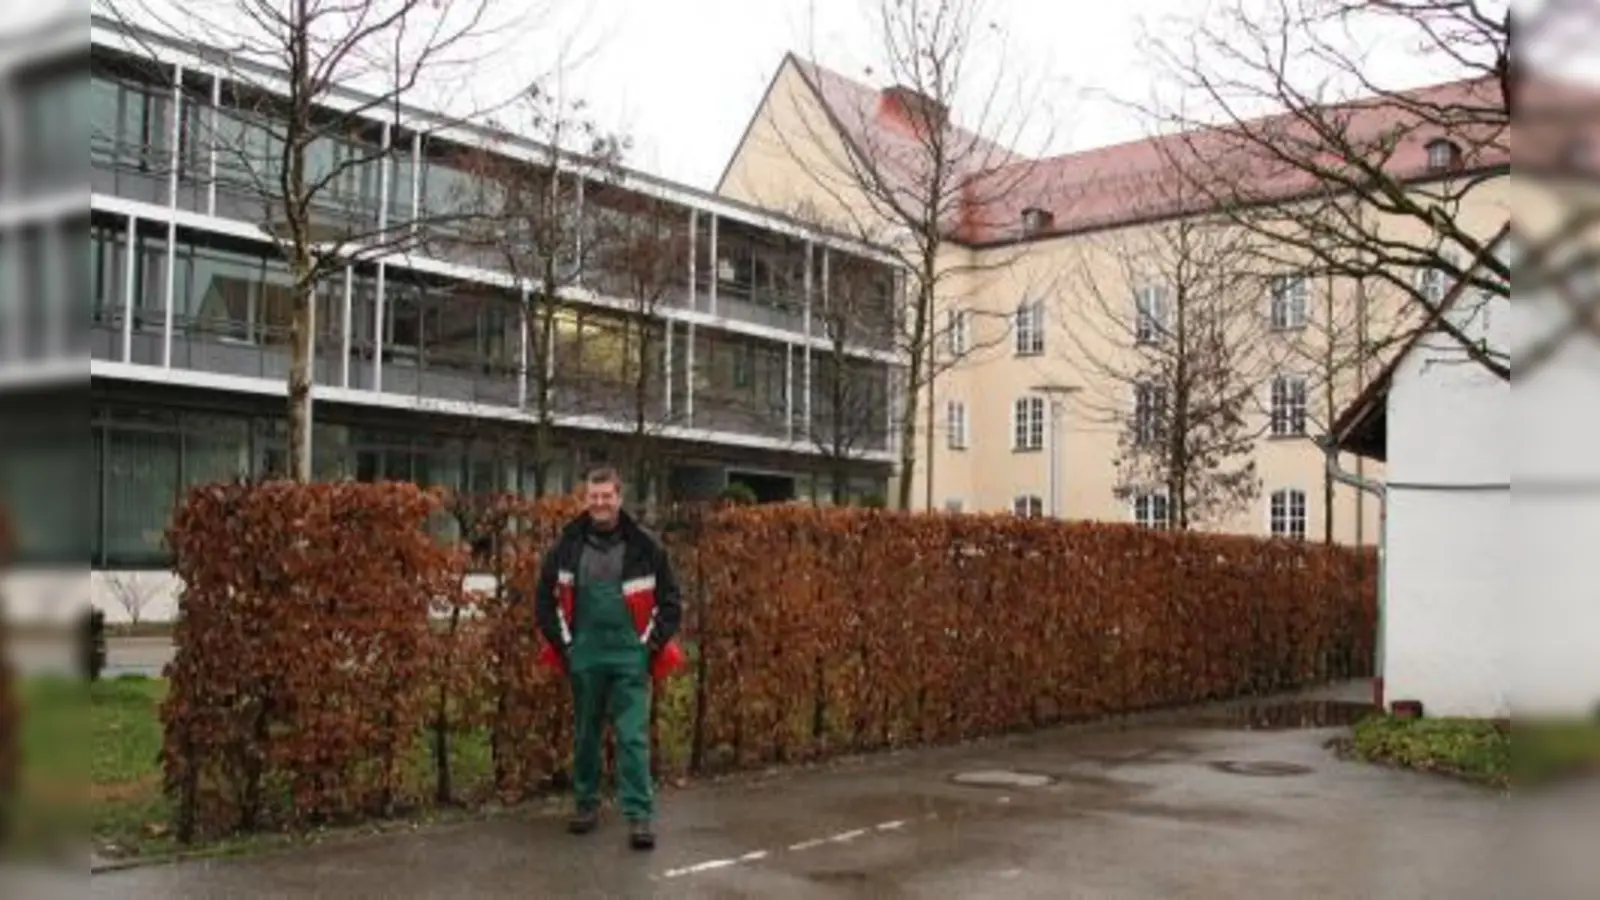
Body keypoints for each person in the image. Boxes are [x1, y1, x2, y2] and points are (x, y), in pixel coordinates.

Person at [533, 466, 684, 851]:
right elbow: (543, 602)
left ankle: (639, 816)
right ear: (586, 499)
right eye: (593, 496)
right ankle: (585, 806)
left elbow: (671, 603)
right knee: (586, 734)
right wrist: (565, 647)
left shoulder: (647, 547)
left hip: (631, 656)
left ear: (619, 498)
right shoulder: (566, 545)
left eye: (607, 496)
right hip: (583, 653)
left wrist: (649, 647)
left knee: (633, 737)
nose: (600, 503)